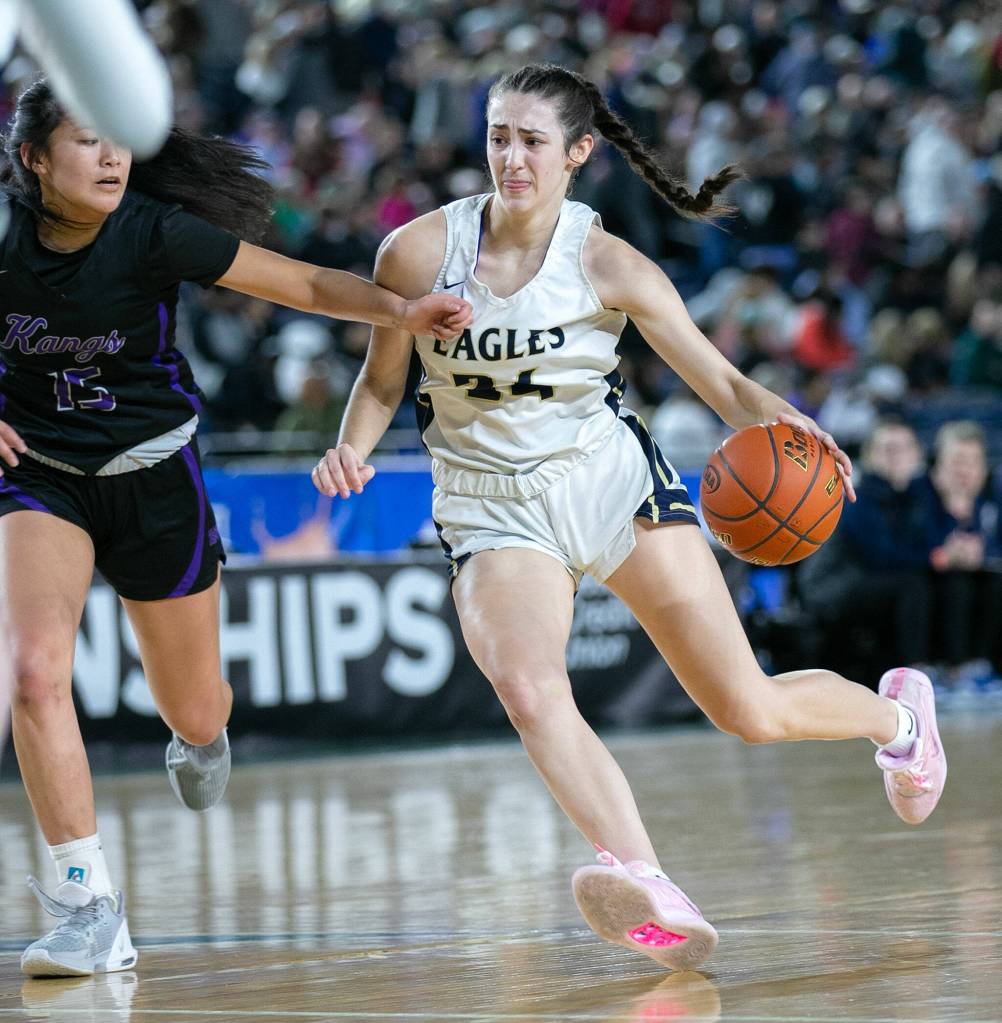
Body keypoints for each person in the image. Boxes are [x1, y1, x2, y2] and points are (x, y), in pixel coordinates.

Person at [312, 63, 947, 972]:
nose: (511, 156)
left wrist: (793, 422)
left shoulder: (609, 263)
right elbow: (381, 380)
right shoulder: (416, 252)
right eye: (498, 135)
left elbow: (721, 382)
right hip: (492, 506)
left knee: (748, 711)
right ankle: (647, 880)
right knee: (530, 688)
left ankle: (901, 725)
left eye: (532, 140)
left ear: (578, 154)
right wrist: (353, 446)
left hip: (610, 485)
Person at [0, 77, 471, 978]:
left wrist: (402, 312)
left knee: (197, 703)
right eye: (86, 141)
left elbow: (298, 280)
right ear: (32, 159)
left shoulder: (149, 229)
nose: (110, 157)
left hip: (155, 477)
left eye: (117, 141)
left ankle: (202, 734)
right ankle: (86, 906)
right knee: (32, 671)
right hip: (39, 475)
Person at [797, 419, 934, 677]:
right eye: (888, 449)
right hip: (831, 585)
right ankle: (915, 674)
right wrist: (937, 557)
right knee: (913, 585)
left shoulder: (914, 496)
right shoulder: (859, 495)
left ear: (917, 455)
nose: (897, 457)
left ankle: (963, 668)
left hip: (865, 580)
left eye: (904, 449)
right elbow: (880, 556)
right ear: (870, 456)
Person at [924, 421, 1002, 686]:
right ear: (939, 465)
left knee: (994, 583)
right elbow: (906, 547)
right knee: (953, 583)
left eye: (972, 462)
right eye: (957, 461)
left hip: (982, 579)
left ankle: (980, 666)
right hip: (929, 581)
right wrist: (943, 550)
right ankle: (949, 669)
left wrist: (984, 551)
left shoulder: (993, 494)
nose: (964, 471)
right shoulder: (920, 492)